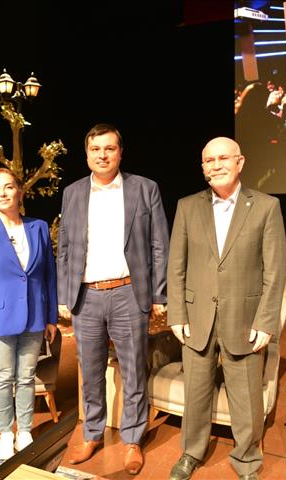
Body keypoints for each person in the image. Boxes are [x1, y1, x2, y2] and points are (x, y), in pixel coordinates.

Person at [167, 137, 286, 480]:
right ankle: (191, 453)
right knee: (196, 392)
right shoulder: (187, 207)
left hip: (245, 320)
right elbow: (176, 267)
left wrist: (266, 322)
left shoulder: (266, 206)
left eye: (223, 158)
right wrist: (177, 314)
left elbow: (275, 270)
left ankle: (247, 459)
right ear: (202, 167)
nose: (216, 165)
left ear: (240, 162)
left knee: (246, 396)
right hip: (196, 319)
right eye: (209, 160)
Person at [57, 123, 169, 475]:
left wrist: (159, 293)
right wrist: (64, 294)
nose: (102, 155)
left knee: (133, 370)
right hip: (86, 296)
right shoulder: (73, 192)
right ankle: (92, 433)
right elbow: (65, 248)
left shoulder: (144, 188)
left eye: (109, 148)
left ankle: (133, 439)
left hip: (127, 293)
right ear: (87, 154)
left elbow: (159, 244)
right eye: (95, 149)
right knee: (90, 372)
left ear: (120, 152)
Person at [0, 168, 58, 460]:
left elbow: (49, 275)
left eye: (8, 187)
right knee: (4, 377)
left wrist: (51, 317)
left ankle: (25, 429)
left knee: (27, 376)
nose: (3, 193)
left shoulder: (38, 227)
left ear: (19, 191)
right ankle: (6, 432)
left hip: (35, 315)